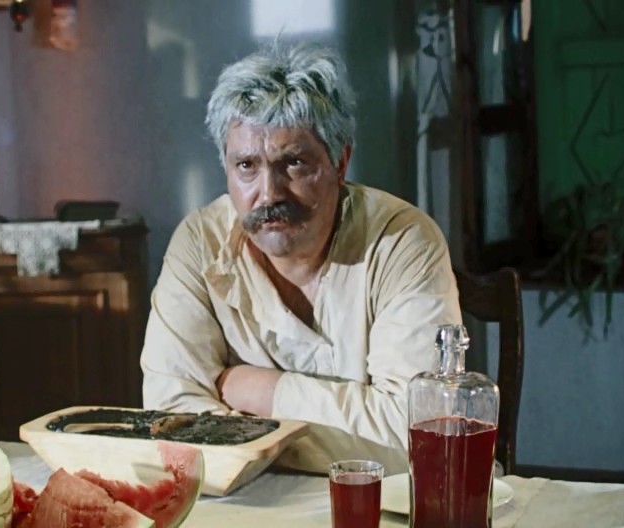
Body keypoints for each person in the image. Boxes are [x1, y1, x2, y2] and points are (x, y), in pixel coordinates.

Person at [140, 42, 461, 475]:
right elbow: (170, 420)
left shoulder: (401, 241)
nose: (269, 194)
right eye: (246, 166)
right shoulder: (200, 243)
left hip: (388, 501)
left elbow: (417, 440)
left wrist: (259, 391)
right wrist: (339, 427)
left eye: (292, 163)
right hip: (250, 500)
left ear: (340, 161)